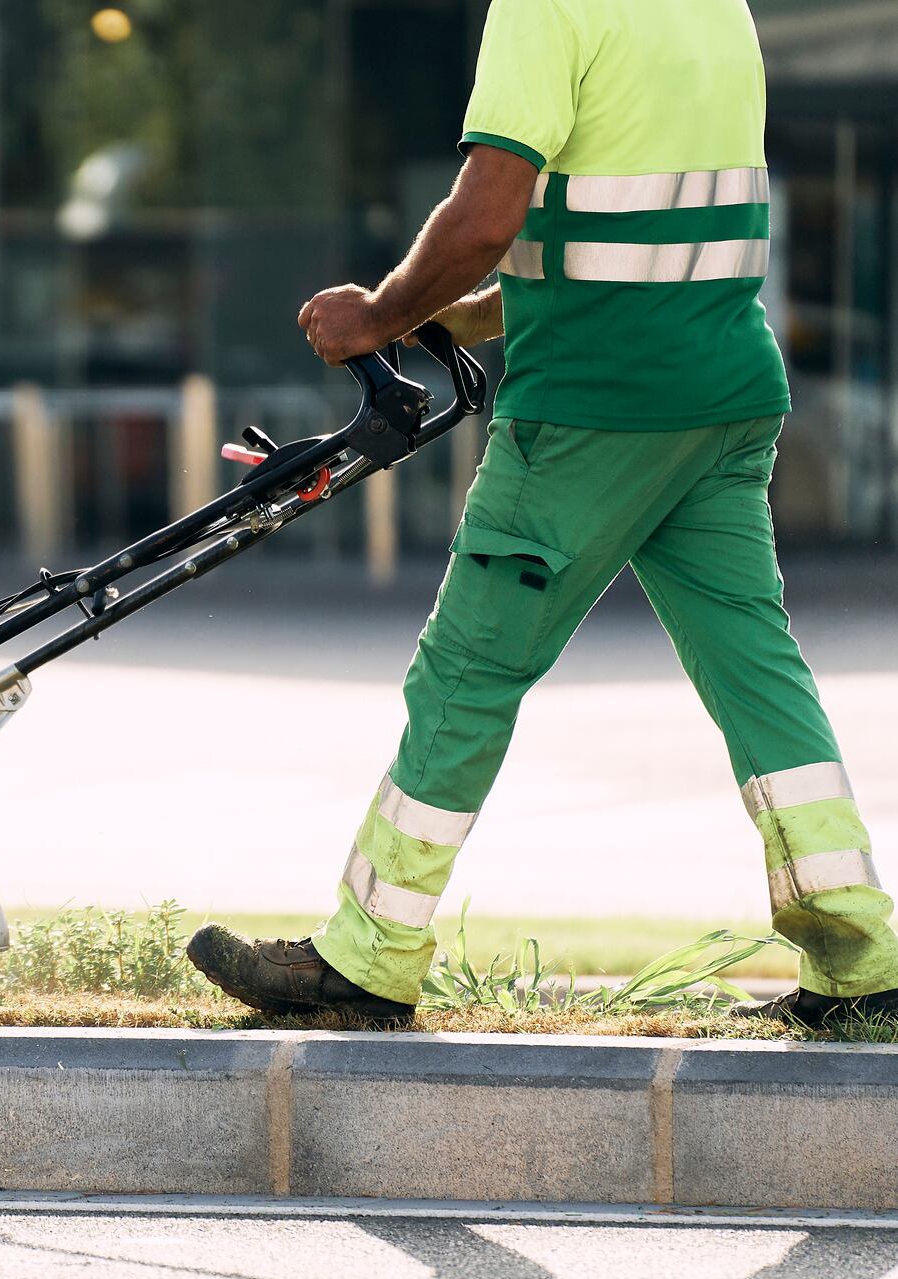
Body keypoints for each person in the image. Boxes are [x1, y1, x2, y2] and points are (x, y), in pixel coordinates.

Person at [186, 0, 898, 1026]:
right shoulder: (714, 11)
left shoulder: (547, 7)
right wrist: (444, 311)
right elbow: (622, 245)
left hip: (590, 412)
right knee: (755, 672)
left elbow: (486, 218)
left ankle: (368, 957)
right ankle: (861, 961)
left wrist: (378, 314)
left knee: (465, 671)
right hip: (722, 398)